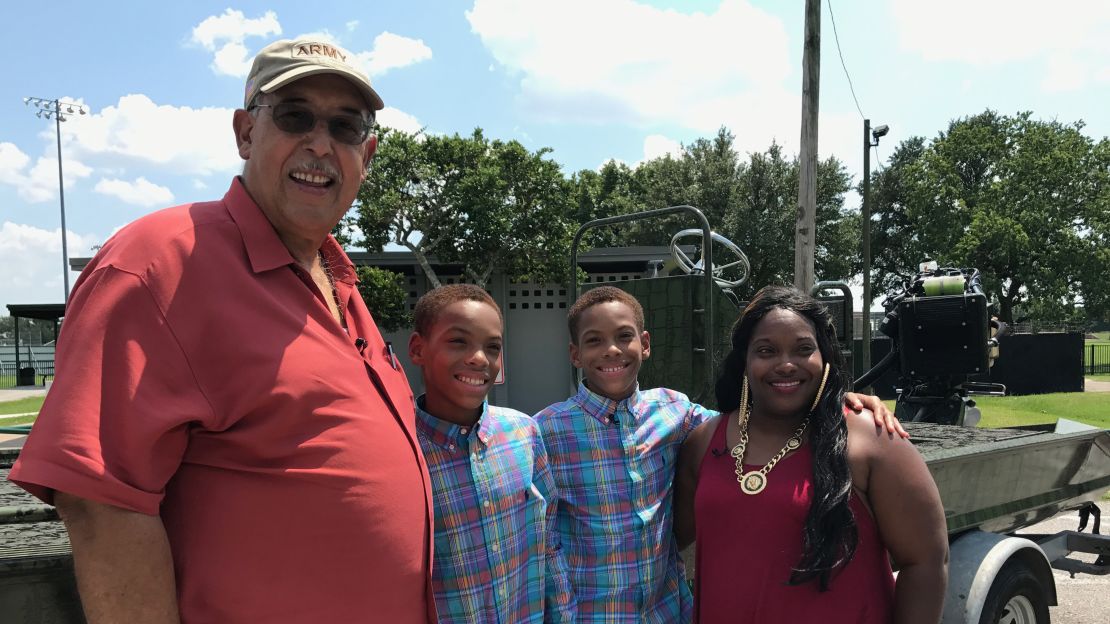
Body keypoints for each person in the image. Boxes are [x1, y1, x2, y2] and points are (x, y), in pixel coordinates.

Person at [8, 39, 436, 623]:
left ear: (368, 152)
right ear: (244, 133)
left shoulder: (340, 281)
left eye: (344, 126)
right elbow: (100, 503)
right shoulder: (159, 263)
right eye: (294, 116)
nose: (320, 143)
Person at [534, 286, 904, 622]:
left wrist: (839, 402)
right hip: (590, 613)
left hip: (667, 612)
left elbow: (756, 421)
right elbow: (542, 539)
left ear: (645, 344)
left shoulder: (674, 412)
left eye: (624, 337)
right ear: (575, 354)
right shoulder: (545, 431)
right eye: (594, 340)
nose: (612, 350)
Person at [674, 286, 948, 623]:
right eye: (767, 350)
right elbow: (663, 539)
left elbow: (926, 562)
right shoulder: (703, 441)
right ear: (744, 360)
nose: (786, 364)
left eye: (804, 349)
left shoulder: (870, 438)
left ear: (824, 357)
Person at [407, 284, 576, 623]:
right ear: (417, 349)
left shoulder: (523, 432)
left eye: (493, 347)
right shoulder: (402, 447)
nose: (479, 358)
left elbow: (549, 540)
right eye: (458, 341)